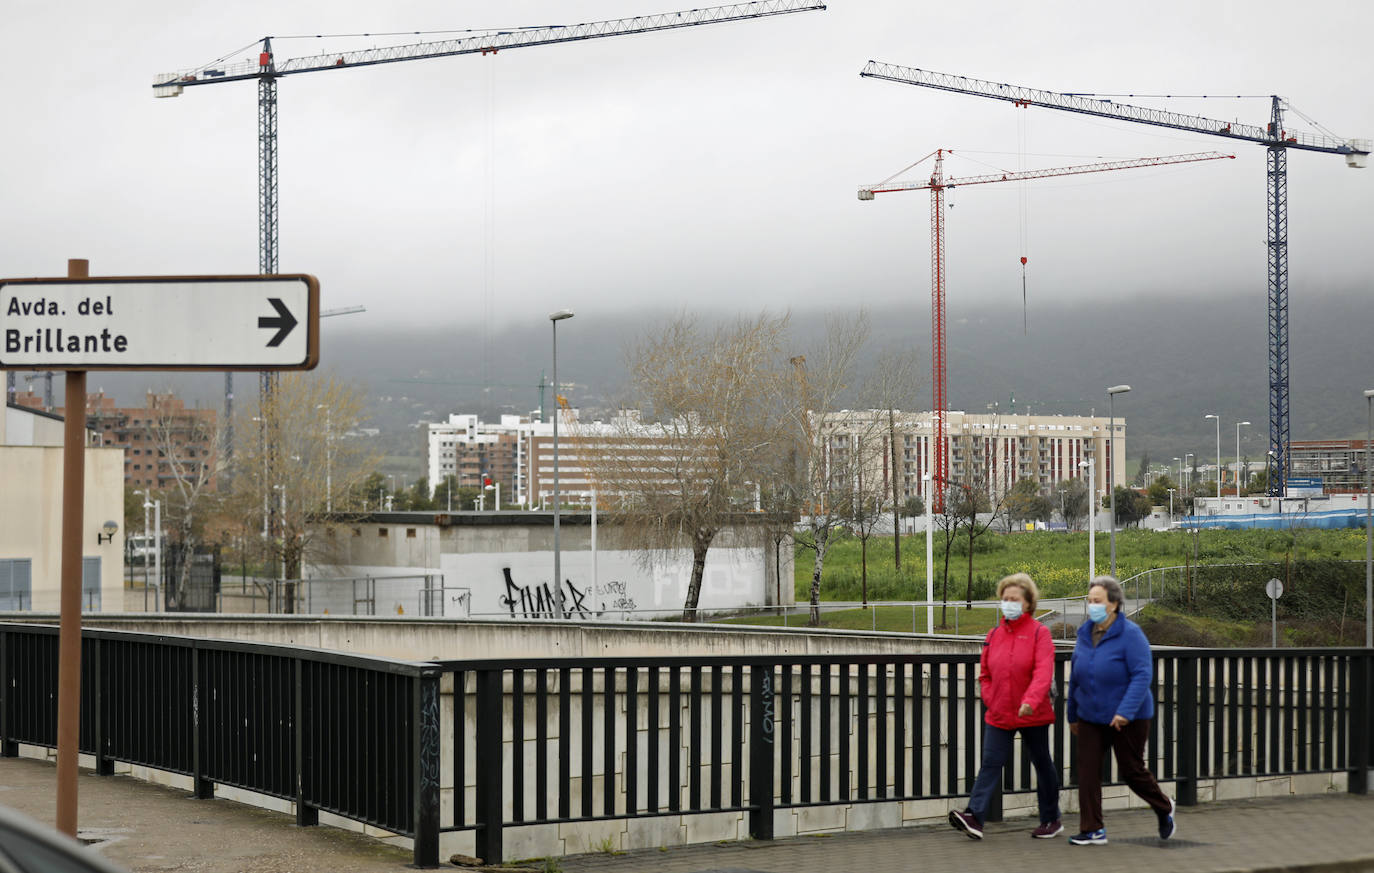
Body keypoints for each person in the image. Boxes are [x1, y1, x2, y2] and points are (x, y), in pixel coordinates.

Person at [948, 573, 1062, 840]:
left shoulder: (1039, 633)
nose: (1008, 603)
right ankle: (975, 816)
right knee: (990, 762)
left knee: (1042, 763)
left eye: (1014, 599)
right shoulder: (994, 634)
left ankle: (1051, 819)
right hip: (999, 712)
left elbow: (1043, 672)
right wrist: (991, 698)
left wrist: (1030, 702)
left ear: (1028, 603)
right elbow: (985, 674)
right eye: (1005, 599)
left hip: (1032, 713)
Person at [1066, 575, 1176, 846]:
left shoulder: (1131, 634)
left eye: (1098, 601)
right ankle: (1092, 828)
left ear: (1114, 604)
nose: (1092, 606)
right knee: (1088, 771)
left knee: (1132, 771)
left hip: (1129, 717)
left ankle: (1164, 807)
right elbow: (1077, 676)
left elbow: (1142, 675)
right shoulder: (1084, 633)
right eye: (1090, 601)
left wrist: (1124, 711)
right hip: (1090, 715)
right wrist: (1071, 714)